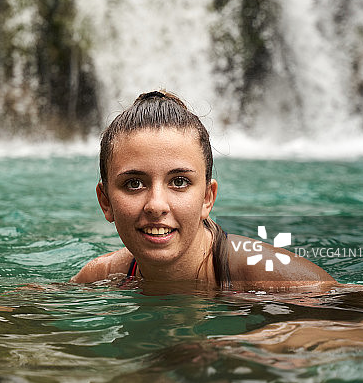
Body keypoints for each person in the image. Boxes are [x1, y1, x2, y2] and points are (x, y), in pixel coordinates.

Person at [71, 89, 335, 290]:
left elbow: (361, 324)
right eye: (134, 184)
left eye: (179, 182)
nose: (156, 205)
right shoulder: (103, 275)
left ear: (208, 198)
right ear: (106, 202)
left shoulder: (276, 277)